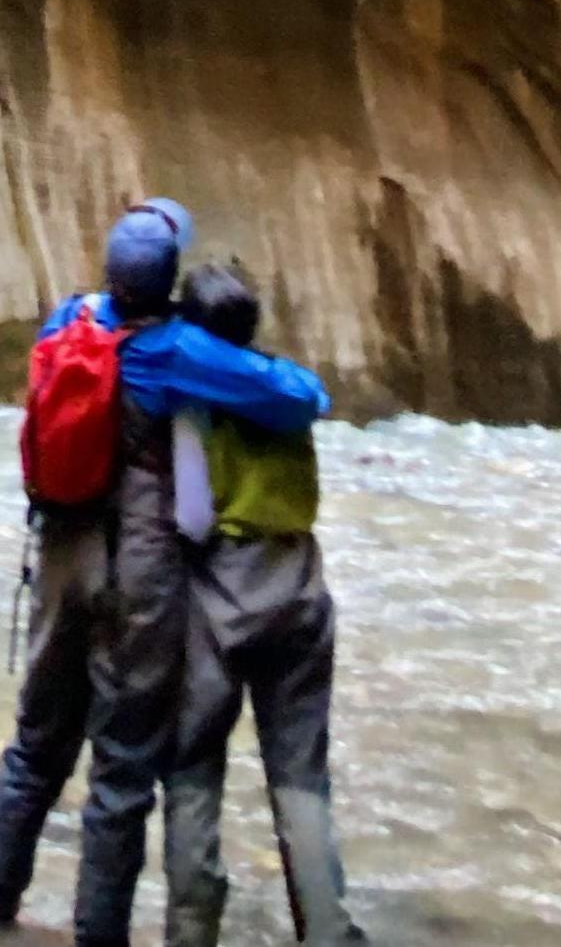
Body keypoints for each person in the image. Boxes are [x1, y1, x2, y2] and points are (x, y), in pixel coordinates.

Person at [0, 202, 330, 943]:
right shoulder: (175, 352)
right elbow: (300, 398)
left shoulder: (65, 322)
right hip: (137, 574)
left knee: (37, 742)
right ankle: (99, 934)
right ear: (165, 286)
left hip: (59, 558)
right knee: (123, 766)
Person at [158, 260, 361, 947]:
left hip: (222, 589)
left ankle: (192, 928)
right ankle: (328, 928)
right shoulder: (283, 390)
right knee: (300, 772)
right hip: (301, 582)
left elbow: (189, 515)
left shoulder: (195, 405)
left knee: (192, 764)